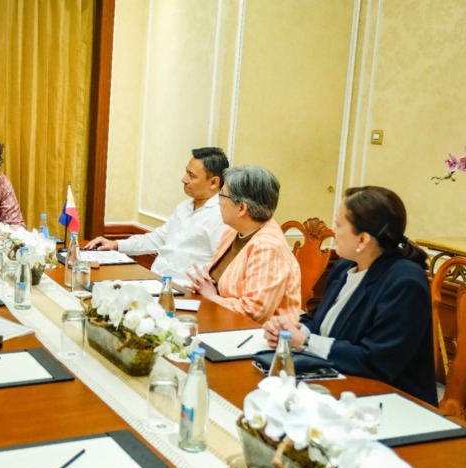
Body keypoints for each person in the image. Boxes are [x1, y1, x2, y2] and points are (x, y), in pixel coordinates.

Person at [263, 186, 437, 405]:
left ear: (362, 240)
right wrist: (291, 330)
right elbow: (319, 321)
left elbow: (377, 361)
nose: (333, 230)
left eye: (338, 224)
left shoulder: (405, 282)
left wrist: (305, 341)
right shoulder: (345, 266)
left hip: (390, 400)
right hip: (337, 383)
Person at [86, 147, 229, 285]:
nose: (184, 179)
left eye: (191, 176)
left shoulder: (222, 216)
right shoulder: (184, 206)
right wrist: (115, 244)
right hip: (156, 278)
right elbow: (157, 238)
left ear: (213, 182)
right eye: (186, 172)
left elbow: (221, 265)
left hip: (185, 288)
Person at [187, 165, 301, 324]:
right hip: (222, 320)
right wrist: (203, 285)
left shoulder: (268, 247)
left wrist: (211, 296)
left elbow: (253, 311)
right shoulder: (234, 230)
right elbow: (219, 281)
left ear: (241, 208)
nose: (218, 202)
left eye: (222, 195)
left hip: (259, 332)